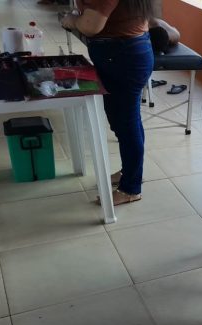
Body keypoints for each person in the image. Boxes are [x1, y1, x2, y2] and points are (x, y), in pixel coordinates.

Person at [61, 1, 154, 205]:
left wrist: (72, 20)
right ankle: (130, 171)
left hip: (123, 56)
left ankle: (131, 188)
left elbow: (91, 26)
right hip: (123, 53)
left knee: (126, 123)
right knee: (125, 121)